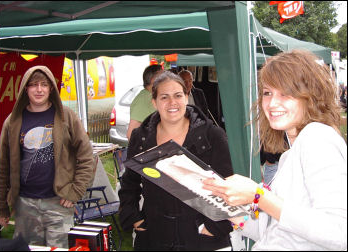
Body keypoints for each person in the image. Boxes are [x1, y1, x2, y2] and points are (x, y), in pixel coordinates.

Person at [203, 50, 347, 250]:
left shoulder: (317, 138)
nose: (271, 103)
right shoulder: (291, 152)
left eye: (285, 93)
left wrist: (258, 195)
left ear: (311, 96)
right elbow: (278, 232)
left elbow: (338, 232)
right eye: (267, 93)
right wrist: (230, 209)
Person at [119, 71, 234, 250]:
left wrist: (213, 227)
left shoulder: (212, 136)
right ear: (154, 102)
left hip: (201, 238)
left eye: (178, 95)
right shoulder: (140, 138)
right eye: (164, 97)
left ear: (187, 97)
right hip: (154, 237)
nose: (172, 103)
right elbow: (129, 184)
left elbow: (229, 185)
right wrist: (134, 217)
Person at [0, 66, 94, 248]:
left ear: (51, 88)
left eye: (44, 84)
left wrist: (75, 191)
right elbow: (2, 166)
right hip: (25, 204)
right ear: (26, 89)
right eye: (33, 85)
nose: (39, 89)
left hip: (59, 203)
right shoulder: (13, 120)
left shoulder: (67, 117)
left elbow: (87, 157)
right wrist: (1, 206)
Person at [126, 64, 163, 141]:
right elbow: (131, 134)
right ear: (154, 79)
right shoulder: (144, 99)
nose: (166, 80)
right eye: (163, 77)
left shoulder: (152, 95)